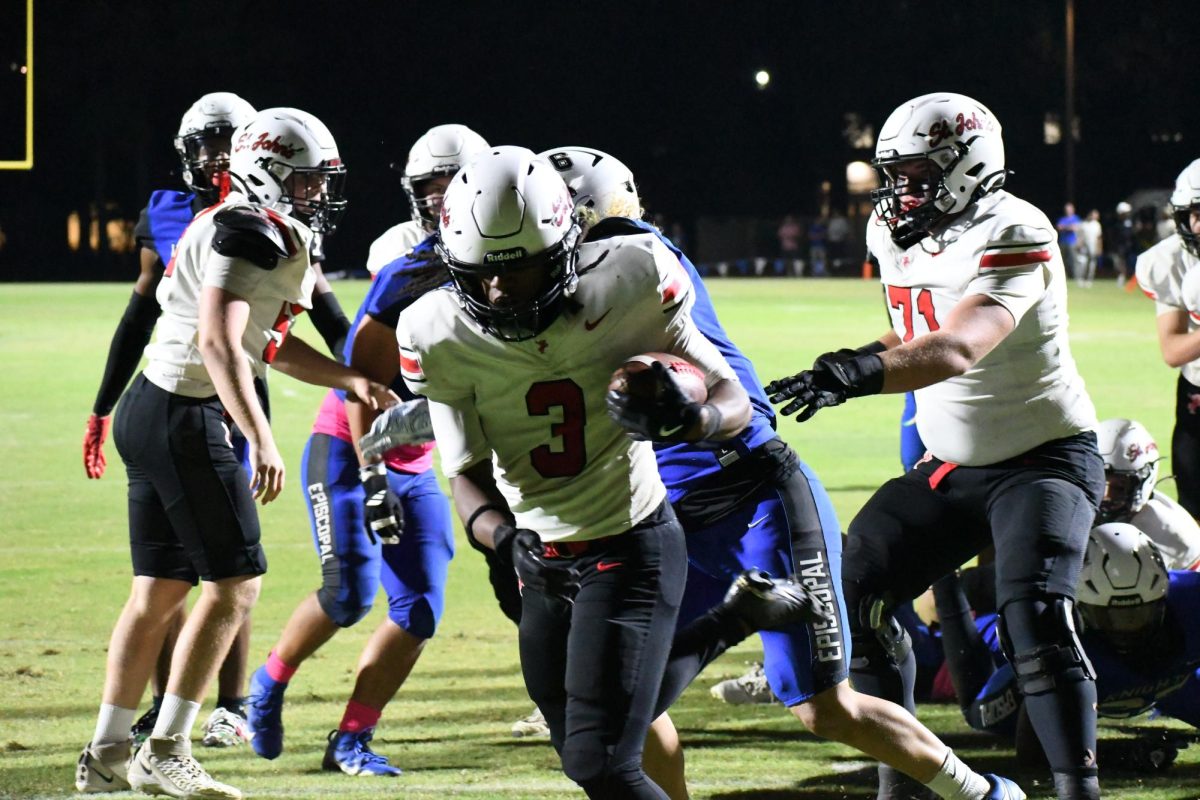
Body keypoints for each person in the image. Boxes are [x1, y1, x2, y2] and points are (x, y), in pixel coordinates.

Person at [539, 145, 1024, 800]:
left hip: (752, 498)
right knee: (631, 706)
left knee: (824, 707)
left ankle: (982, 794)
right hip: (663, 520)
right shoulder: (560, 282)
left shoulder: (630, 257)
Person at [397, 145, 766, 799]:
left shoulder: (630, 278)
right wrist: (503, 538)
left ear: (567, 246)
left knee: (606, 765)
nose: (500, 291)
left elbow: (732, 400)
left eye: (520, 270)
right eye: (481, 273)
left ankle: (731, 619)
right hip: (541, 555)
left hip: (631, 542)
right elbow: (465, 473)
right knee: (580, 754)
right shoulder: (434, 329)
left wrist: (692, 421)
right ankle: (731, 620)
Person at [767, 92, 1102, 800]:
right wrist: (853, 361)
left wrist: (860, 375)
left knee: (1033, 609)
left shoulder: (1016, 225)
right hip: (951, 465)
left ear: (969, 164)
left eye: (919, 174)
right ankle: (909, 783)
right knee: (853, 591)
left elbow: (959, 345)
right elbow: (915, 329)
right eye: (896, 175)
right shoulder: (897, 236)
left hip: (1043, 458)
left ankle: (1077, 789)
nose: (902, 192)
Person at [76, 107, 396, 800]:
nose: (315, 194)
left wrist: (348, 378)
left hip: (149, 407)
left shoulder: (241, 222)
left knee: (158, 592)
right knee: (236, 588)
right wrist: (260, 436)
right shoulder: (248, 230)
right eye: (305, 181)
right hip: (186, 416)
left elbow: (264, 343)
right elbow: (221, 344)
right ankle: (166, 747)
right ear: (267, 171)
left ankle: (106, 751)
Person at [243, 124, 487, 776]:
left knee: (421, 611)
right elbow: (367, 375)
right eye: (428, 190)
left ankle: (351, 738)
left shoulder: (503, 251)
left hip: (419, 454)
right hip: (352, 444)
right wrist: (374, 474)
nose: (439, 202)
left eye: (451, 187)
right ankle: (268, 682)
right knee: (348, 594)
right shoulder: (403, 252)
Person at [80, 92, 260, 754]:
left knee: (228, 563)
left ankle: (232, 706)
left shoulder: (266, 217)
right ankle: (163, 708)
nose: (214, 155)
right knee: (173, 569)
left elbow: (318, 309)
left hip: (231, 400)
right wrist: (102, 405)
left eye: (226, 141)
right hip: (172, 396)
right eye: (204, 143)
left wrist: (363, 374)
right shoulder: (167, 210)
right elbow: (138, 315)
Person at [932, 523, 1200, 769]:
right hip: (1021, 651)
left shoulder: (1190, 599)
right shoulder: (1054, 631)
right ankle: (945, 583)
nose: (1129, 628)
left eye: (1141, 613)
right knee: (982, 714)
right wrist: (1121, 754)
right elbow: (1034, 754)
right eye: (1111, 617)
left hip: (1165, 678)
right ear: (1079, 608)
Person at [1136, 158, 1200, 519]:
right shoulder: (1169, 260)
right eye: (1199, 212)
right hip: (1197, 395)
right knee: (1194, 509)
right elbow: (1173, 350)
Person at [365, 124, 489, 276]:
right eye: (437, 189)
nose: (448, 199)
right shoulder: (400, 243)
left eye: (458, 186)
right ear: (416, 191)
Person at [1095, 418, 1200, 571]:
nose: (1104, 497)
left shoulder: (1173, 531)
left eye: (1118, 488)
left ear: (1144, 480)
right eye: (1096, 484)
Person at [1057, 202, 1083, 284]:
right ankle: (1063, 278)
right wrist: (1068, 227)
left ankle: (1077, 277)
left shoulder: (1076, 218)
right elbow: (1059, 227)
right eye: (1066, 209)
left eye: (1069, 209)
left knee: (1074, 260)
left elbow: (1075, 228)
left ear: (1073, 210)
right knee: (1062, 261)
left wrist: (1065, 227)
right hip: (1062, 242)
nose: (1068, 210)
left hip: (1072, 242)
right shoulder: (1062, 219)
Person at [1078, 209, 1102, 288]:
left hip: (1093, 246)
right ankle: (1081, 279)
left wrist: (1099, 248)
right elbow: (1080, 236)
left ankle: (1089, 280)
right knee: (1083, 263)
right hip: (1084, 246)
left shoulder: (1097, 225)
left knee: (1092, 264)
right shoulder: (1084, 224)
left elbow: (1099, 238)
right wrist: (1079, 245)